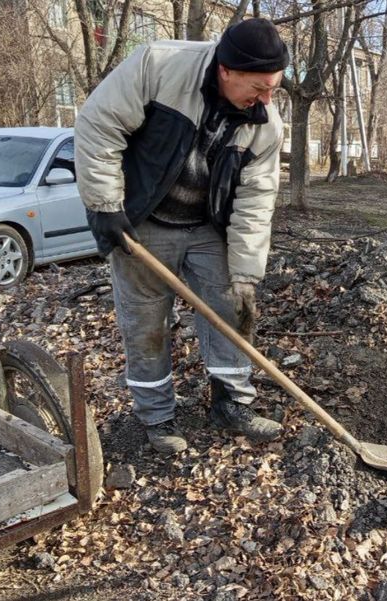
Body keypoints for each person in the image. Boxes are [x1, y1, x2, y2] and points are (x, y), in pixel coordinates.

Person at [75, 19, 289, 454]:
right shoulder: (160, 65)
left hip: (209, 226)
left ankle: (231, 405)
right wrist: (106, 205)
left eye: (274, 89)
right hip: (145, 223)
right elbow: (98, 127)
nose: (266, 101)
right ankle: (156, 416)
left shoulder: (265, 122)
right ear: (226, 70)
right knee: (145, 325)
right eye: (260, 87)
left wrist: (246, 273)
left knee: (231, 309)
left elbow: (256, 199)